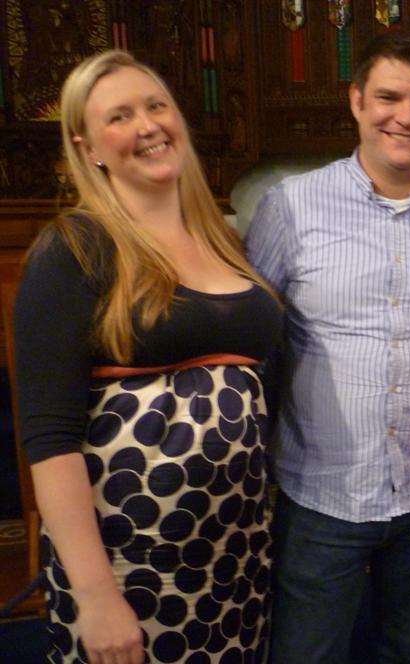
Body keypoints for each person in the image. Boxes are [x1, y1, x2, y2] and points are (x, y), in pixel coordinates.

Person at [14, 51, 282, 664]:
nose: (148, 125)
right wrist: (96, 594)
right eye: (121, 116)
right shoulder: (74, 249)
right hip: (134, 562)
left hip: (234, 556)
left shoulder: (223, 239)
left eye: (157, 105)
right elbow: (50, 441)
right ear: (88, 149)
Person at [245, 33, 410, 663]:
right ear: (357, 101)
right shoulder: (291, 207)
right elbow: (257, 339)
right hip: (320, 493)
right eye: (388, 96)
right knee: (307, 653)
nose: (405, 116)